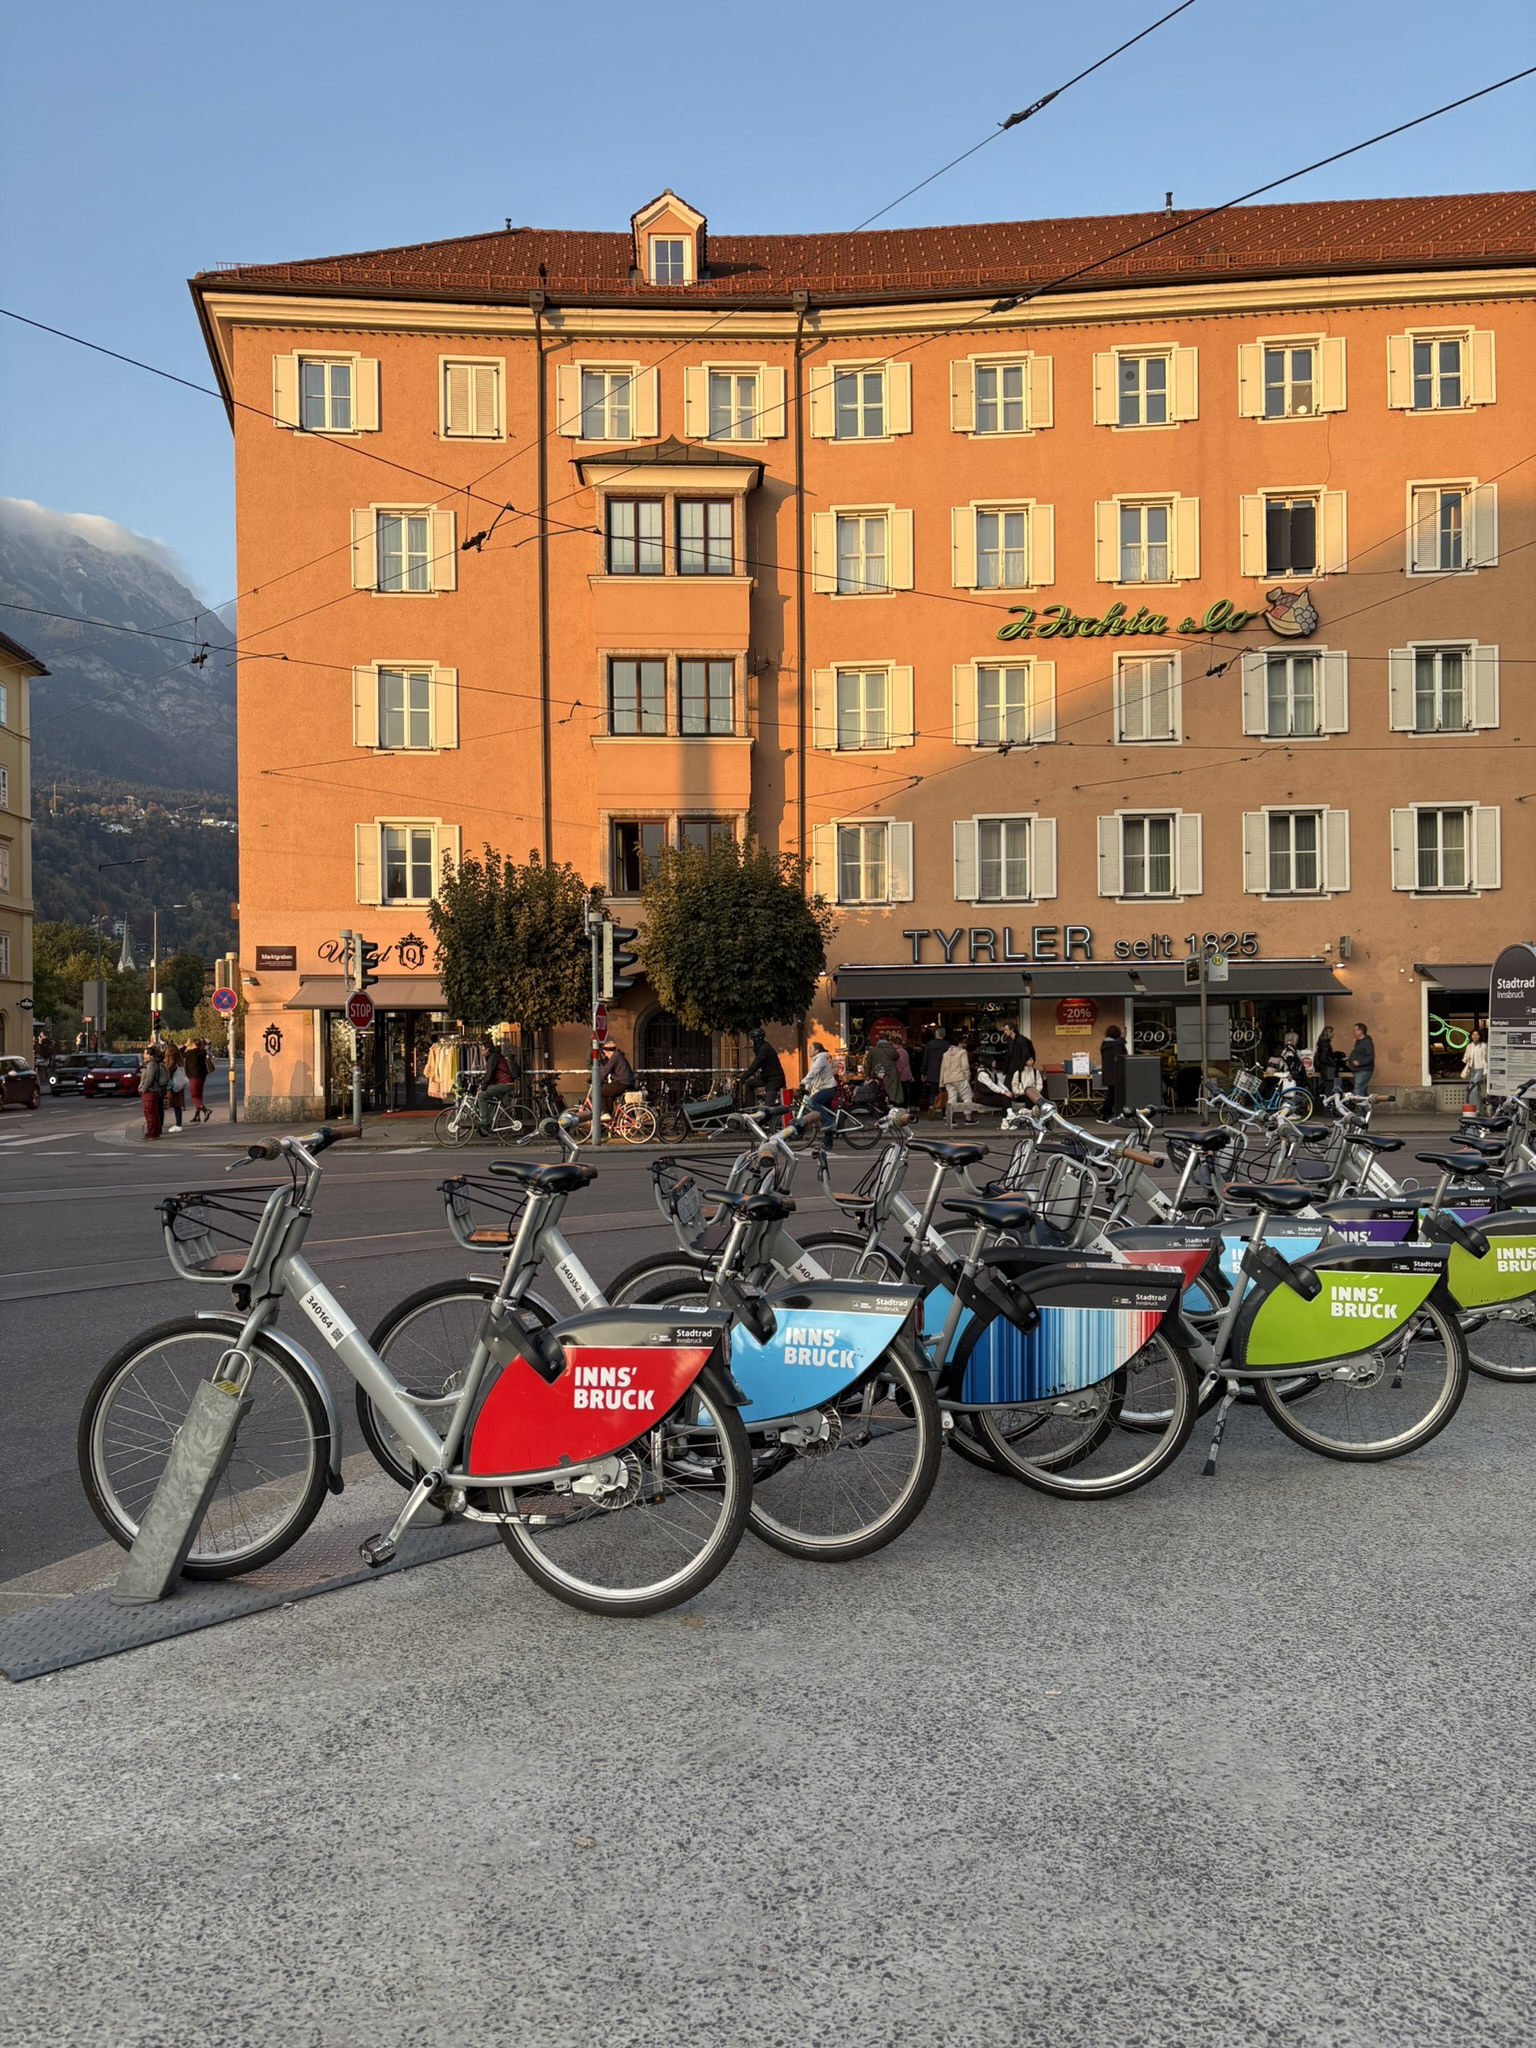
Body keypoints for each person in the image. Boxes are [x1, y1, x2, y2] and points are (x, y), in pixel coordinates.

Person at [476, 1038, 521, 1134]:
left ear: (487, 1049)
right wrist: (483, 1085)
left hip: (505, 1084)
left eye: (482, 1049)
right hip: (503, 1083)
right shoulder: (492, 1056)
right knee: (490, 1098)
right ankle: (489, 1122)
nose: (481, 1051)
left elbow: (490, 1073)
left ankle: (485, 1121)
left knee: (481, 1096)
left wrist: (483, 1087)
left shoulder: (493, 1057)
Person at [740, 1029, 787, 1111]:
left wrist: (743, 1077)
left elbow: (755, 1065)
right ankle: (750, 1109)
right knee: (750, 1084)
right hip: (766, 1078)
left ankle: (770, 1122)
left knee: (767, 1107)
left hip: (774, 1079)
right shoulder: (761, 1048)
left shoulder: (764, 1049)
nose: (750, 1042)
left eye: (751, 1039)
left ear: (756, 1039)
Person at [801, 1039, 839, 1138]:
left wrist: (803, 1081)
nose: (809, 1051)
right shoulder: (815, 1060)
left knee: (812, 1102)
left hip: (828, 1088)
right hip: (823, 1088)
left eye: (810, 1049)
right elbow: (814, 1077)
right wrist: (807, 1086)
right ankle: (827, 1143)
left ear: (817, 1051)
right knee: (824, 1114)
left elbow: (814, 1072)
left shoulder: (821, 1059)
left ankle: (829, 1123)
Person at [940, 1034, 976, 1124]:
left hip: (948, 1078)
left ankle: (950, 1119)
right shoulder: (962, 1052)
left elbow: (942, 1068)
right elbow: (965, 1066)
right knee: (967, 1096)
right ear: (959, 1043)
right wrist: (967, 1077)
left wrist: (942, 1082)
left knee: (951, 1098)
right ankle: (968, 1118)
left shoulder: (945, 1054)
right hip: (959, 1077)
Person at [596, 1041, 635, 1122]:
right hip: (626, 1082)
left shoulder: (615, 1057)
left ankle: (606, 1114)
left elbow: (606, 1070)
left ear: (608, 1052)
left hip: (622, 1082)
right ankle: (610, 1121)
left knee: (598, 1091)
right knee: (608, 1097)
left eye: (605, 1053)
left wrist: (596, 1079)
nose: (605, 1055)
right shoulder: (618, 1055)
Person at [138, 1043, 169, 1140]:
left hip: (150, 1091)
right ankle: (155, 1132)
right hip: (154, 1090)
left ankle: (151, 1133)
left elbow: (149, 1079)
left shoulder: (151, 1064)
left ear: (149, 1055)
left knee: (150, 1113)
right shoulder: (154, 1063)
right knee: (154, 1112)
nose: (143, 1055)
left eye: (145, 1053)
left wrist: (143, 1089)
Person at [862, 1034, 903, 1107]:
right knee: (892, 1093)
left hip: (878, 1074)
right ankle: (892, 1109)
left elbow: (868, 1064)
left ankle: (882, 1108)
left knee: (880, 1092)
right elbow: (896, 1057)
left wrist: (867, 1076)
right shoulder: (891, 1049)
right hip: (891, 1074)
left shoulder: (873, 1050)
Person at [1098, 1024, 1126, 1119]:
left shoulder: (1105, 1045)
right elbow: (1120, 1059)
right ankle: (1104, 1113)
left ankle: (1107, 1113)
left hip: (1108, 1074)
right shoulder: (1116, 1045)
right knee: (1113, 1096)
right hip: (1117, 1075)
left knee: (1112, 1094)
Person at [922, 1026, 950, 1120]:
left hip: (931, 1072)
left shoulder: (929, 1044)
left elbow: (925, 1059)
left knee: (933, 1092)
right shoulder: (946, 1045)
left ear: (935, 1034)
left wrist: (923, 1073)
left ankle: (931, 1105)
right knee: (944, 1093)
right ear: (944, 1035)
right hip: (943, 1072)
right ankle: (944, 1113)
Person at [1462, 1026, 1488, 1110]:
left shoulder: (1483, 1046)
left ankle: (1477, 1108)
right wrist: (1466, 1059)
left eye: (1477, 1035)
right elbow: (1465, 1057)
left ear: (1480, 1036)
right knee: (1472, 1088)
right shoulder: (1469, 1046)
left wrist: (1485, 1071)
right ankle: (1473, 1107)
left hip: (1480, 1069)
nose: (1475, 1036)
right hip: (1471, 1069)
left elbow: (1485, 1060)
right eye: (1473, 1035)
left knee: (1474, 1088)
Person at [1347, 1021, 1375, 1099]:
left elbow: (1370, 1057)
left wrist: (1359, 1062)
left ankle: (1359, 1109)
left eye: (1355, 1030)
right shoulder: (1359, 1042)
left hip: (1363, 1070)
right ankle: (1365, 1108)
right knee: (1362, 1089)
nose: (1353, 1032)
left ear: (1360, 1031)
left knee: (1358, 1089)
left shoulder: (1367, 1042)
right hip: (1358, 1070)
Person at [164, 1045, 188, 1132]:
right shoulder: (179, 1059)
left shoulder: (172, 1061)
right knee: (177, 1105)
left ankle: (178, 1125)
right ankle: (178, 1123)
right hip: (179, 1084)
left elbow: (168, 1071)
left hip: (174, 1085)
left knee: (175, 1104)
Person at [1313, 1025, 1338, 1097]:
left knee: (1328, 1087)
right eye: (1332, 1032)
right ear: (1329, 1033)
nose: (1333, 1034)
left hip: (1324, 1068)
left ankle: (1327, 1104)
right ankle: (1328, 1105)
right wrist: (1333, 1064)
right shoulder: (1325, 1044)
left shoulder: (1321, 1043)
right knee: (1329, 1088)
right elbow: (1325, 1058)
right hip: (1328, 1069)